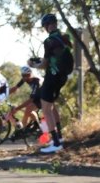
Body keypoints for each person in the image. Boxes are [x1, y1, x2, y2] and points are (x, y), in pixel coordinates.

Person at [28, 13, 73, 153]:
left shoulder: (49, 41)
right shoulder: (65, 38)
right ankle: (59, 138)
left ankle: (56, 142)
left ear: (46, 26)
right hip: (62, 77)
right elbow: (55, 57)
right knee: (51, 106)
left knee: (46, 108)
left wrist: (33, 65)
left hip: (52, 77)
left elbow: (45, 64)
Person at [6, 66, 43, 138]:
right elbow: (15, 88)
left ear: (31, 74)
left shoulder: (36, 81)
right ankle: (36, 124)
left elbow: (31, 100)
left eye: (27, 75)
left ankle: (22, 130)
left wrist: (17, 108)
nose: (25, 77)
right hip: (37, 96)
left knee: (28, 108)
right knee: (27, 109)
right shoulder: (24, 79)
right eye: (23, 75)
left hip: (44, 97)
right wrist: (3, 94)